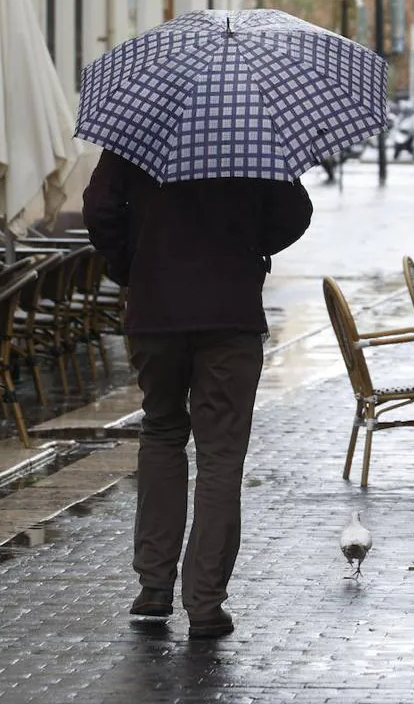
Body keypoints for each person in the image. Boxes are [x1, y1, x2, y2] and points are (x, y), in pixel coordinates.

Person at [82, 149, 313, 640]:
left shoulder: (139, 126)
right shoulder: (251, 130)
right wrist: (247, 248)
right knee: (221, 457)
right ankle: (205, 603)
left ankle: (153, 587)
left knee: (161, 432)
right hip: (230, 315)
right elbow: (296, 212)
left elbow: (100, 209)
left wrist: (134, 264)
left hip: (156, 311)